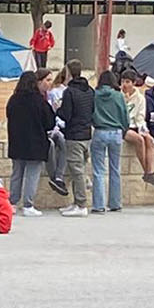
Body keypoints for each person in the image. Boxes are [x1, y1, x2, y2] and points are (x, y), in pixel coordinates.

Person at [5, 68, 52, 216]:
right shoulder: (39, 101)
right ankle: (28, 205)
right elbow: (49, 122)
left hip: (17, 143)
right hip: (36, 144)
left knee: (16, 174)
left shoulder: (13, 100)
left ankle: (12, 203)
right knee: (32, 175)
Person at [55, 59, 94, 216]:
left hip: (74, 135)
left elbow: (66, 115)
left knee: (77, 171)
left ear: (69, 73)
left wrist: (57, 108)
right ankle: (76, 202)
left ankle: (81, 204)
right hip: (86, 134)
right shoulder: (89, 90)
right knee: (79, 169)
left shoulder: (69, 92)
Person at [90, 69, 129, 213]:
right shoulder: (119, 95)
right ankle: (115, 203)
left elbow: (91, 112)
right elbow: (125, 115)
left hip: (100, 131)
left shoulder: (94, 95)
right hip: (116, 132)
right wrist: (124, 128)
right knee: (115, 169)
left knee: (98, 170)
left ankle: (98, 205)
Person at [120, 72, 154, 185]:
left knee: (149, 140)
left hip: (136, 125)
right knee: (139, 140)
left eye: (127, 82)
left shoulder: (140, 98)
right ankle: (146, 171)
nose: (124, 85)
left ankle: (151, 171)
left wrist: (144, 130)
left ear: (133, 83)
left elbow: (140, 117)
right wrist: (125, 101)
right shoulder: (119, 96)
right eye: (123, 82)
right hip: (124, 126)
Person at [45, 67, 69, 196]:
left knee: (64, 143)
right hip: (48, 128)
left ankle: (58, 177)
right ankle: (55, 177)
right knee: (51, 146)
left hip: (57, 127)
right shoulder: (53, 93)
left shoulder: (56, 93)